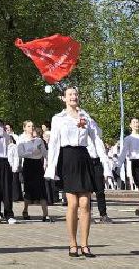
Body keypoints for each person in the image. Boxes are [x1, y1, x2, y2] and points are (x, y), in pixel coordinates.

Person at [45, 87, 109, 258]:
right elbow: (54, 144)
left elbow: (97, 138)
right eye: (70, 95)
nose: (73, 97)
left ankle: (85, 244)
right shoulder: (58, 119)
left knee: (85, 204)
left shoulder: (85, 116)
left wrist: (105, 163)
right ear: (64, 98)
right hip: (67, 159)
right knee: (72, 204)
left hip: (83, 157)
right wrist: (51, 167)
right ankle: (72, 243)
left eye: (75, 94)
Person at [16, 121, 49, 222]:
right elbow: (20, 154)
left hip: (38, 165)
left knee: (42, 188)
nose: (31, 128)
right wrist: (32, 152)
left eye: (33, 126)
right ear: (24, 128)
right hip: (28, 165)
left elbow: (44, 153)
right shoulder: (22, 139)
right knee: (28, 188)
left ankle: (45, 214)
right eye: (29, 126)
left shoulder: (39, 140)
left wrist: (50, 161)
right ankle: (25, 210)